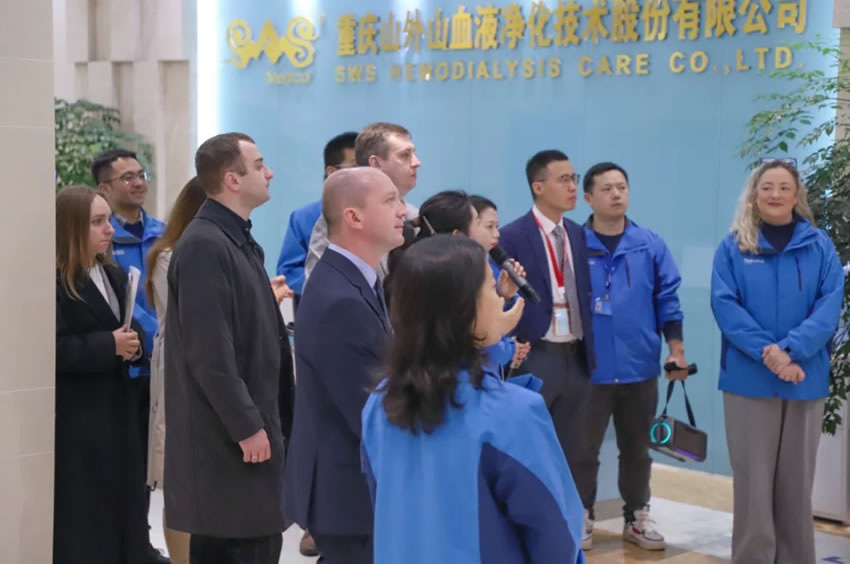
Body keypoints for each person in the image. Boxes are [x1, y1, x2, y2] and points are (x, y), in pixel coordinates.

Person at [361, 234, 586, 564]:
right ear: (465, 311)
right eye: (492, 289)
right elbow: (556, 535)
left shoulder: (379, 405)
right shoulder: (513, 414)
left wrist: (490, 339)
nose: (500, 300)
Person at [163, 133, 295, 564]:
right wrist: (246, 425)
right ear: (232, 180)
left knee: (258, 545)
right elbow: (209, 353)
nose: (269, 172)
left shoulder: (234, 239)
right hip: (227, 444)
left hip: (252, 432)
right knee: (237, 549)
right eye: (259, 165)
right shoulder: (204, 245)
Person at [711, 159, 843, 564]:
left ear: (796, 194)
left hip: (804, 378)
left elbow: (829, 307)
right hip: (748, 381)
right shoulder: (734, 246)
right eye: (767, 186)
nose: (775, 194)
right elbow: (725, 306)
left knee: (796, 483)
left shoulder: (819, 246)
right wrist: (770, 353)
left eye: (784, 187)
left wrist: (791, 351)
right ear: (754, 194)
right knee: (753, 485)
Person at [284, 167, 407, 564]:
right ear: (353, 217)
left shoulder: (357, 279)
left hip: (352, 484)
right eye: (389, 201)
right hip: (348, 490)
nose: (403, 210)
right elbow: (368, 412)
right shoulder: (341, 299)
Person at [574, 162, 689, 551]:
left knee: (637, 451)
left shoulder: (649, 244)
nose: (616, 194)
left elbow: (668, 299)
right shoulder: (574, 245)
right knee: (582, 451)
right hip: (588, 369)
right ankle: (581, 516)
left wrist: (676, 350)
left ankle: (637, 517)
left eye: (621, 187)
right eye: (606, 188)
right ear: (588, 198)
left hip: (639, 367)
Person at [55, 186, 149, 564]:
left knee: (123, 503)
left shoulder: (111, 271)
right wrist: (108, 345)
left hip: (119, 410)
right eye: (98, 222)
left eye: (108, 220)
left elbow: (128, 325)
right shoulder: (56, 281)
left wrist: (133, 344)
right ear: (71, 228)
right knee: (86, 516)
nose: (110, 229)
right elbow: (50, 350)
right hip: (79, 418)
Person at [92, 148, 168, 563]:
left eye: (141, 174)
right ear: (104, 188)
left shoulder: (164, 233)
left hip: (164, 371)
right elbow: (124, 306)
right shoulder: (100, 240)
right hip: (127, 369)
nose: (139, 183)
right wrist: (155, 336)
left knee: (154, 466)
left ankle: (142, 543)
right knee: (125, 465)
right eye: (127, 177)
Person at [499, 150, 596, 470]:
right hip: (536, 353)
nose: (572, 187)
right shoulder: (512, 236)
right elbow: (503, 296)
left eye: (574, 179)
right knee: (528, 450)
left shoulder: (578, 234)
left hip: (577, 355)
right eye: (563, 180)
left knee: (571, 453)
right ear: (538, 187)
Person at [144, 177, 207, 564]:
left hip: (206, 370)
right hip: (181, 372)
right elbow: (193, 318)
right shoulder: (170, 255)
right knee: (180, 482)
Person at [304, 122, 421, 283]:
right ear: (376, 163)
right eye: (405, 155)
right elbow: (320, 283)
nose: (416, 162)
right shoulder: (343, 217)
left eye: (414, 154)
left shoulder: (416, 216)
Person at [276, 131, 357, 305]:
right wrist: (332, 288)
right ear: (332, 172)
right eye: (356, 167)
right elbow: (289, 273)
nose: (365, 175)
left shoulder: (385, 215)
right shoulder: (304, 218)